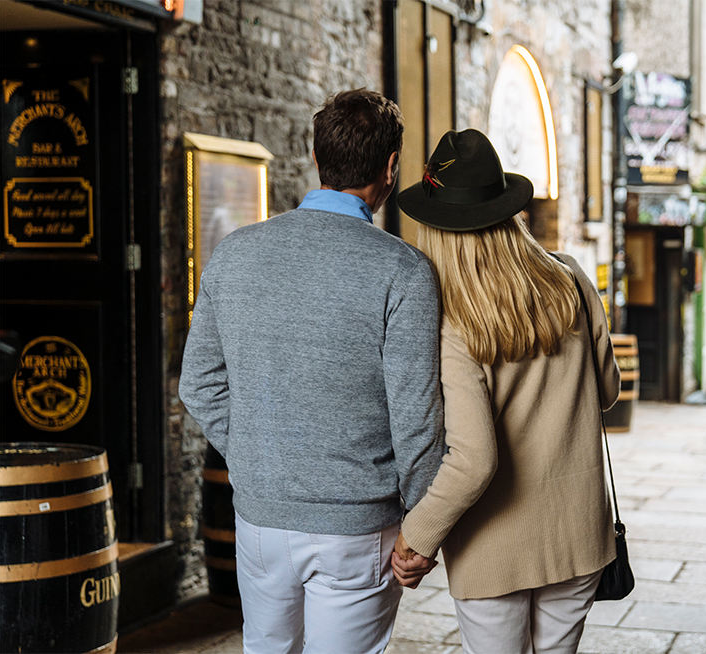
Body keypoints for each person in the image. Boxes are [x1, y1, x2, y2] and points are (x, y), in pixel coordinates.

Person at [179, 89, 444, 654]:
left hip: (260, 522)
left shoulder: (234, 253)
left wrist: (256, 452)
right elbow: (417, 423)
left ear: (317, 157)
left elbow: (198, 383)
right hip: (359, 529)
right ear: (390, 167)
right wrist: (422, 528)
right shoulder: (404, 272)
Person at [390, 129, 621, 653]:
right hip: (577, 530)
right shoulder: (571, 278)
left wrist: (418, 536)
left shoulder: (451, 319)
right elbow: (608, 391)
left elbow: (474, 459)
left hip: (494, 545)